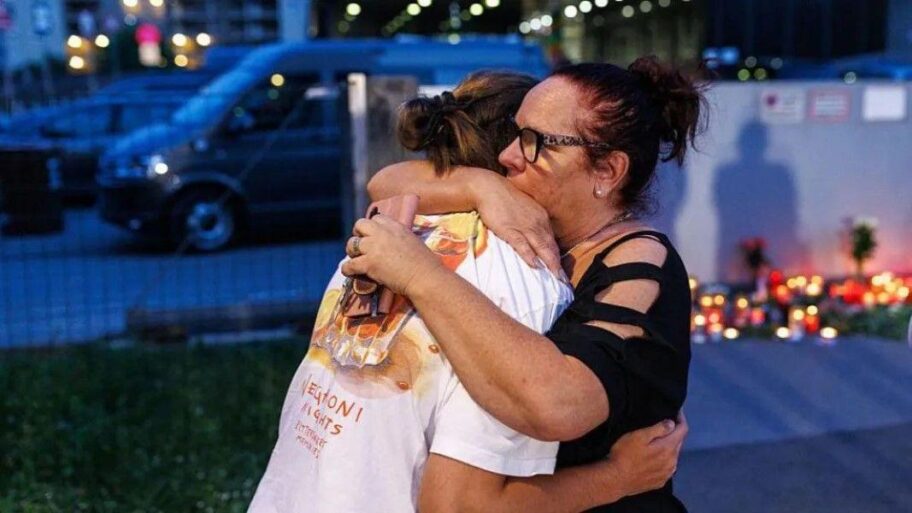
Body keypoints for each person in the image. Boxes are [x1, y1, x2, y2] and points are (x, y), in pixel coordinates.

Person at [248, 70, 686, 513]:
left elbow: (557, 403)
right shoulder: (513, 256)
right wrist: (480, 186)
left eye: (534, 141)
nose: (509, 155)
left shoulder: (635, 264)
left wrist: (418, 272)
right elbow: (385, 181)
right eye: (513, 134)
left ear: (608, 170)